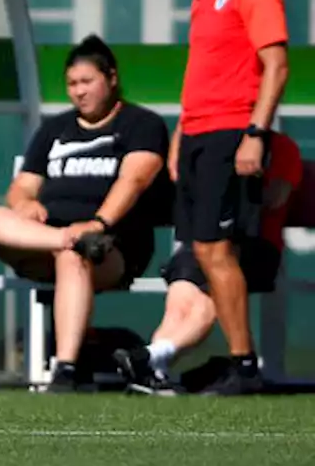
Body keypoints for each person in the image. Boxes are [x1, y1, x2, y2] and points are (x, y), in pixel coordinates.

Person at [0, 35, 171, 392]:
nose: (78, 92)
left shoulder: (142, 124)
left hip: (111, 246)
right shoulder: (54, 129)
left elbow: (134, 180)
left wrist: (98, 224)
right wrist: (23, 205)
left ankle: (64, 368)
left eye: (87, 82)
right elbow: (23, 186)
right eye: (72, 84)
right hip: (49, 239)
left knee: (71, 257)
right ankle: (67, 239)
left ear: (111, 78)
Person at [169, 0, 289, 396]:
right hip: (197, 134)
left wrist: (255, 135)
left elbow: (276, 65)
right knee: (202, 249)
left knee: (217, 250)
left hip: (230, 133)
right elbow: (202, 73)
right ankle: (234, 360)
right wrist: (180, 135)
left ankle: (244, 364)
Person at [116, 131, 302, 395]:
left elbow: (275, 198)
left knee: (204, 301)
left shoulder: (281, 147)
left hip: (254, 247)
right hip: (202, 245)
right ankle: (154, 369)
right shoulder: (204, 144)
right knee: (180, 304)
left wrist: (234, 179)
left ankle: (149, 360)